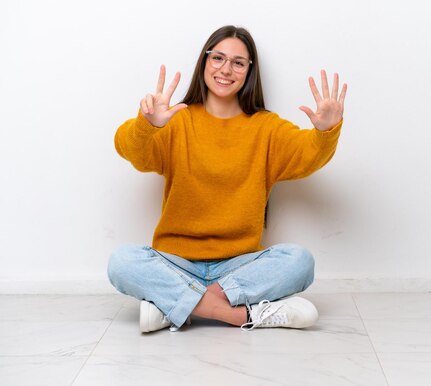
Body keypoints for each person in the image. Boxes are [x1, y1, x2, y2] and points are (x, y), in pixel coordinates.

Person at [107, 25, 347, 333]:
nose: (225, 69)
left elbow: (308, 155)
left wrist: (326, 131)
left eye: (237, 62)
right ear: (204, 62)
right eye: (217, 57)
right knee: (122, 262)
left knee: (299, 261)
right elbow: (129, 149)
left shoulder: (266, 128)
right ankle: (238, 315)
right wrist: (148, 125)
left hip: (238, 268)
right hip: (177, 263)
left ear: (249, 70)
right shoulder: (177, 121)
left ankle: (175, 306)